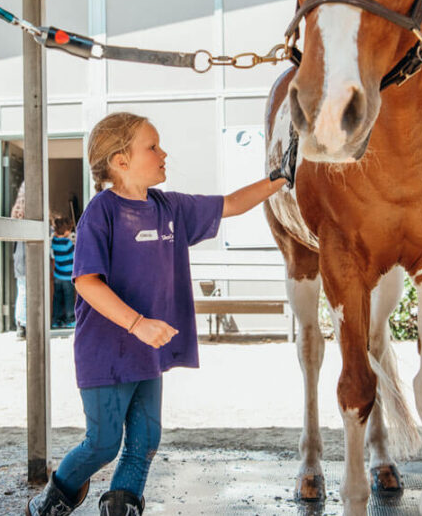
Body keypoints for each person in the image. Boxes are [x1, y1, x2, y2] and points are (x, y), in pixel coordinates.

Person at [28, 112, 286, 516]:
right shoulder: (102, 212)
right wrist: (137, 323)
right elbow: (87, 282)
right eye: (152, 146)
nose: (164, 153)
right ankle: (52, 501)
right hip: (106, 353)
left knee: (145, 440)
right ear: (120, 160)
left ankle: (121, 506)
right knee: (102, 443)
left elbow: (232, 204)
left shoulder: (170, 207)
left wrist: (281, 177)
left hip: (148, 353)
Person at [50, 215, 76, 329]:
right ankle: (70, 320)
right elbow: (76, 254)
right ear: (66, 231)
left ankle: (56, 320)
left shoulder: (54, 242)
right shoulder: (68, 244)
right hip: (68, 277)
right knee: (69, 299)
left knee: (57, 299)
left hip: (57, 276)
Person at [11, 182, 28, 339]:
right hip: (27, 257)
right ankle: (23, 325)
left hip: (18, 257)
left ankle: (21, 324)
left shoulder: (15, 212)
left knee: (22, 290)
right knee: (26, 291)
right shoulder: (33, 212)